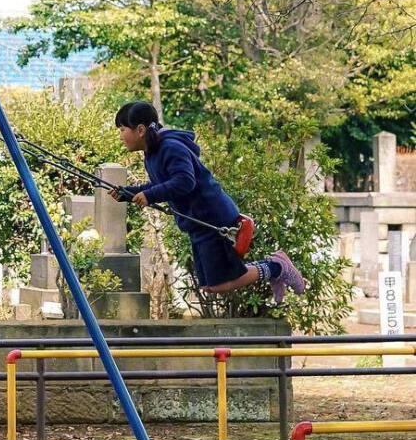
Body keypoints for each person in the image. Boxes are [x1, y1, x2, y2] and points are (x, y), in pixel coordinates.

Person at [112, 101, 305, 301]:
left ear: (140, 130)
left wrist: (150, 196)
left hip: (212, 219)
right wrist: (128, 193)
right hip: (197, 223)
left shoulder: (170, 147)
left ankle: (276, 267)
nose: (120, 136)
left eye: (123, 129)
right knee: (209, 286)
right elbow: (160, 184)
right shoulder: (151, 154)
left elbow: (185, 182)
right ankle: (273, 268)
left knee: (220, 284)